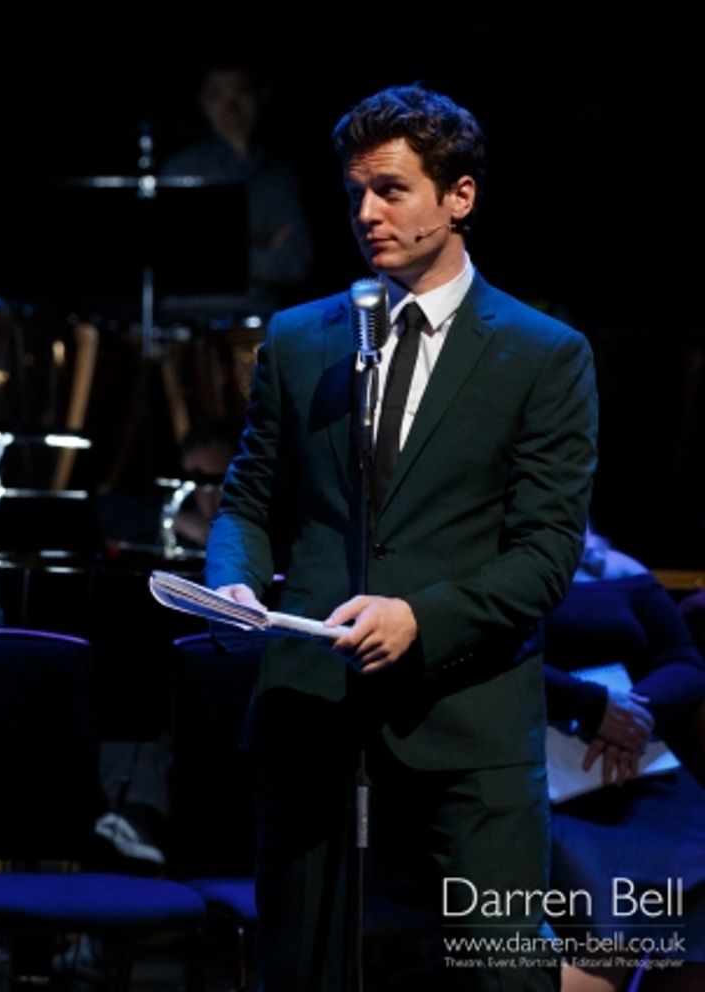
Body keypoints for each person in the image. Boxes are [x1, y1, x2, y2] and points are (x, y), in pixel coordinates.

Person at [207, 84, 597, 989]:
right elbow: (248, 503)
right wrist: (232, 582)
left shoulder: (543, 353)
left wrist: (421, 616)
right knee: (300, 969)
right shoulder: (305, 340)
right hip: (313, 705)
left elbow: (545, 557)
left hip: (468, 717)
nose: (366, 214)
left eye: (390, 190)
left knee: (499, 973)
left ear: (459, 197)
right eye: (355, 195)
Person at [543, 530, 705, 991]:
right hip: (558, 777)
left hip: (642, 763)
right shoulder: (492, 567)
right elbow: (493, 658)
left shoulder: (617, 567)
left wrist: (636, 711)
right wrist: (594, 706)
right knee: (602, 926)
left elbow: (684, 660)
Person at [161, 64, 313, 301]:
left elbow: (296, 264)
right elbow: (177, 261)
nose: (230, 108)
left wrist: (221, 252)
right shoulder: (181, 170)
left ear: (260, 96)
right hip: (192, 318)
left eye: (241, 93)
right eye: (217, 95)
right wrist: (261, 251)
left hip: (262, 319)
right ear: (203, 102)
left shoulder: (280, 175)